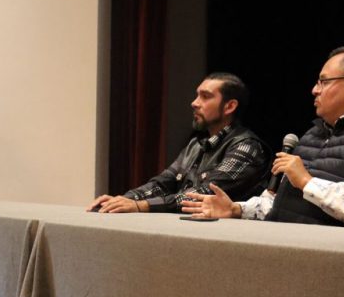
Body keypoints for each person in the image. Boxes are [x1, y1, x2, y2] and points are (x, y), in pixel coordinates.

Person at [182, 46, 344, 228]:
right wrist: (236, 209)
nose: (314, 90)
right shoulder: (314, 134)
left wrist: (306, 180)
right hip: (288, 245)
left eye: (323, 81)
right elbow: (278, 204)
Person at [87, 73, 269, 213]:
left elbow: (203, 194)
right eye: (197, 96)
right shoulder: (196, 145)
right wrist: (124, 200)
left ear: (230, 106)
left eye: (205, 96)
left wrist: (140, 205)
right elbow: (162, 183)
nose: (194, 103)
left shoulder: (247, 146)